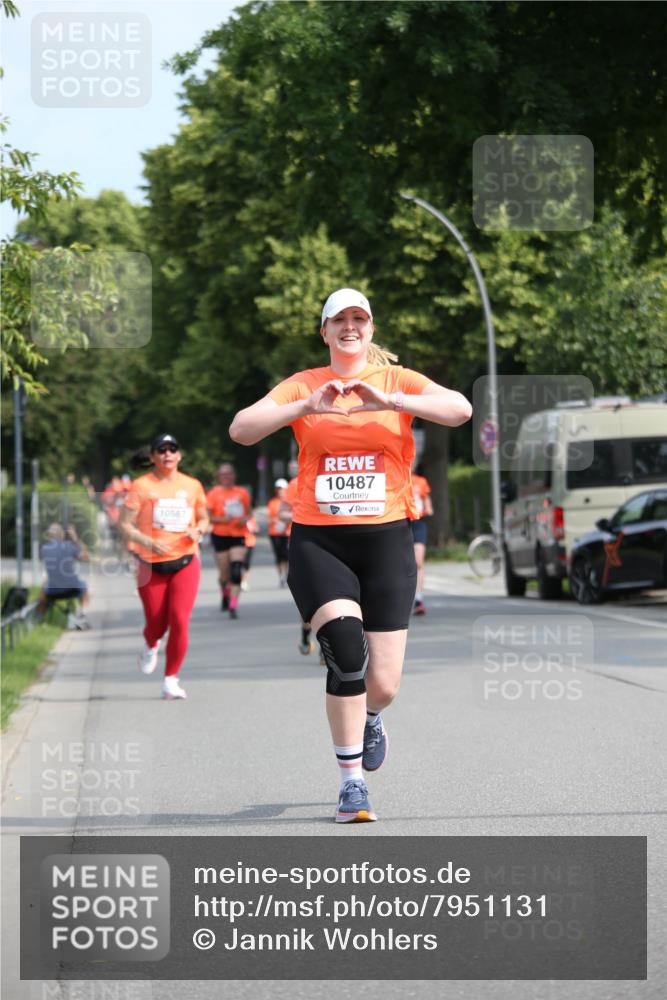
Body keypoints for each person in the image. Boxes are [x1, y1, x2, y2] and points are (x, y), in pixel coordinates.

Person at [230, 287, 472, 822]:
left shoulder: (397, 381)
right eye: (339, 319)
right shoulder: (305, 383)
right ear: (324, 330)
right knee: (344, 648)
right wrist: (303, 406)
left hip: (387, 538)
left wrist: (394, 403)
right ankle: (351, 783)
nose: (350, 327)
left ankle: (370, 716)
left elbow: (460, 408)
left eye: (359, 318)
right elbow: (241, 429)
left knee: (382, 684)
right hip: (321, 539)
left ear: (371, 327)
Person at [119, 433, 209, 700]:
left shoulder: (192, 485)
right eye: (161, 450)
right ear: (152, 457)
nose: (167, 454)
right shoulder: (141, 486)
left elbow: (204, 518)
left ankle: (171, 679)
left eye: (172, 449)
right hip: (150, 563)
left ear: (179, 455)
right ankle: (150, 643)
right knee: (157, 624)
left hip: (185, 561)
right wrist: (145, 540)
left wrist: (199, 531)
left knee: (179, 621)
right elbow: (124, 525)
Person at [206, 463, 253, 619]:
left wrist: (244, 520)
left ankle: (233, 605)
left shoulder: (242, 493)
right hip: (220, 535)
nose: (226, 477)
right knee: (224, 575)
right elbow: (207, 517)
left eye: (229, 474)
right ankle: (225, 593)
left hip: (238, 534)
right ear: (219, 477)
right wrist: (222, 519)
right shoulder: (213, 494)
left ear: (234, 475)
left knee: (236, 569)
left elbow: (249, 513)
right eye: (223, 475)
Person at [38, 523, 90, 629]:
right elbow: (85, 557)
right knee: (84, 586)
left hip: (52, 592)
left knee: (43, 588)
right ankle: (83, 613)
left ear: (49, 535)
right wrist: (75, 538)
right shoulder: (69, 546)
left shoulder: (44, 549)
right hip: (73, 589)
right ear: (61, 535)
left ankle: (39, 618)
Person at [410, 464, 434, 615]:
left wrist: (428, 507)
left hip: (418, 524)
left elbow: (426, 500)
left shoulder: (421, 481)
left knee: (418, 562)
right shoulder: (398, 479)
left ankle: (419, 599)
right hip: (403, 523)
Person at [267, 478, 290, 586]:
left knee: (286, 555)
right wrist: (275, 520)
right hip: (274, 532)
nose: (280, 491)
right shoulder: (272, 502)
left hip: (287, 532)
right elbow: (269, 518)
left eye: (282, 488)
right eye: (278, 488)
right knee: (278, 555)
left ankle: (286, 575)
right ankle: (281, 575)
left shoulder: (289, 501)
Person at [242, 513, 259, 591]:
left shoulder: (251, 516)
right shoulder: (237, 516)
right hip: (239, 542)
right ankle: (239, 580)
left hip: (250, 542)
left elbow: (257, 529)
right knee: (238, 563)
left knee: (247, 563)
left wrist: (253, 527)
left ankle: (244, 581)